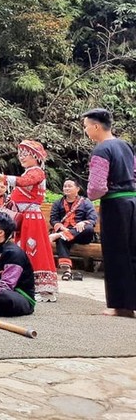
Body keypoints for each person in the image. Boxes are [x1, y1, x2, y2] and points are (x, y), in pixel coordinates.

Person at [0, 140, 58, 302]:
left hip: (32, 219)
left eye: (26, 154)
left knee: (35, 250)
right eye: (21, 154)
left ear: (36, 157)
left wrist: (0, 176)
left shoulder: (37, 172)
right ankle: (23, 283)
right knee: (23, 251)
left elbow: (24, 182)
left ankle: (42, 288)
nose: (22, 157)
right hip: (24, 219)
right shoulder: (28, 172)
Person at [81, 108, 136, 318]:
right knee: (133, 251)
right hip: (132, 202)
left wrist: (93, 195)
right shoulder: (126, 145)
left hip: (115, 203)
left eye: (86, 127)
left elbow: (96, 187)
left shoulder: (102, 150)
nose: (86, 131)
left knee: (115, 252)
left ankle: (120, 305)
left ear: (96, 126)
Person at [49, 179, 98, 282]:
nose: (66, 188)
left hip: (82, 235)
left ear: (77, 189)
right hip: (66, 234)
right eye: (65, 186)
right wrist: (62, 228)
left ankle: (60, 235)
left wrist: (83, 222)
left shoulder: (86, 202)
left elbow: (93, 218)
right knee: (61, 239)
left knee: (88, 228)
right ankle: (67, 271)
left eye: (69, 186)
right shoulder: (58, 203)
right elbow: (53, 219)